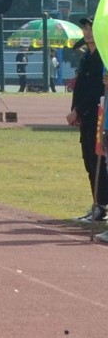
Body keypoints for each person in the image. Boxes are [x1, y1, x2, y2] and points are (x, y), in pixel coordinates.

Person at [70, 20, 106, 220]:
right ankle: (97, 203)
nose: (88, 32)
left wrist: (78, 110)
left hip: (97, 115)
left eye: (91, 28)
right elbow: (80, 87)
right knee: (89, 161)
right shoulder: (86, 57)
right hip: (85, 117)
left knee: (98, 160)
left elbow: (96, 90)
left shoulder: (102, 58)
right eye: (85, 28)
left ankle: (101, 205)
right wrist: (75, 110)